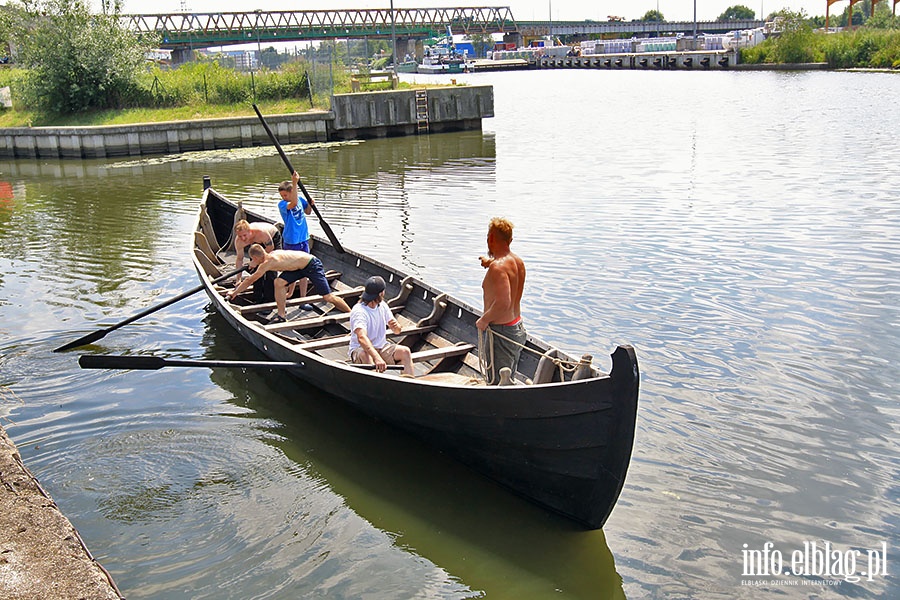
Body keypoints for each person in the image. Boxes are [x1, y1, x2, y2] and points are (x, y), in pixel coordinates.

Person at [227, 245, 351, 322]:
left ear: (256, 257)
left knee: (327, 297)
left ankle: (351, 314)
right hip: (299, 267)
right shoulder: (269, 256)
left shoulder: (268, 262)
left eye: (253, 259)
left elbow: (250, 280)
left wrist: (234, 292)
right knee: (279, 282)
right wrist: (290, 291)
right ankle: (281, 315)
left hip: (312, 265)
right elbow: (289, 267)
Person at [475, 217, 527, 385]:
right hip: (516, 328)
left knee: (497, 383)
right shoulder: (517, 262)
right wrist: (489, 262)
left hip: (501, 334)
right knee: (508, 377)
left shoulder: (497, 268)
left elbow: (503, 303)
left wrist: (484, 320)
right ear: (509, 240)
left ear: (490, 238)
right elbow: (504, 266)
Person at [348, 276, 414, 376]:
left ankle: (409, 384)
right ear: (381, 293)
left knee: (405, 351)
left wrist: (396, 327)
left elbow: (397, 331)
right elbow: (361, 338)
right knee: (366, 355)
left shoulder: (382, 306)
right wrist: (376, 357)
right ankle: (375, 385)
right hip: (360, 350)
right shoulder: (359, 311)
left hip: (382, 347)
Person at [278, 170, 313, 298]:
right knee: (291, 269)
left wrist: (310, 203)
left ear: (292, 192)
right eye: (282, 196)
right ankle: (289, 292)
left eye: (286, 195)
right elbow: (292, 204)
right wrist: (294, 182)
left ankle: (303, 298)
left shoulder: (299, 199)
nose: (284, 198)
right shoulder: (282, 204)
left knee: (304, 269)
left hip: (303, 239)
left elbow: (308, 212)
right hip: (291, 240)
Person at [233, 219, 282, 302]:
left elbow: (270, 249)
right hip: (256, 243)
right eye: (240, 236)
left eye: (244, 235)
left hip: (272, 238)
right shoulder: (239, 241)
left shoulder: (261, 233)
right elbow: (239, 259)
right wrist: (238, 279)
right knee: (255, 271)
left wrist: (256, 262)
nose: (243, 238)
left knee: (270, 269)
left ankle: (270, 300)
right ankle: (258, 298)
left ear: (250, 231)